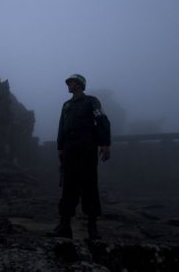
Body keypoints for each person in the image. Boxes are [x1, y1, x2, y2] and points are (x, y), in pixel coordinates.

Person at [50, 74, 111, 239]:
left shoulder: (91, 101)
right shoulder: (66, 105)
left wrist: (105, 143)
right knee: (69, 185)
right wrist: (60, 147)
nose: (68, 85)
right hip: (69, 150)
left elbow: (102, 119)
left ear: (79, 84)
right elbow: (62, 126)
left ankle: (92, 227)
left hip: (86, 148)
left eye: (71, 82)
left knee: (89, 184)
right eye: (68, 82)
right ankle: (64, 225)